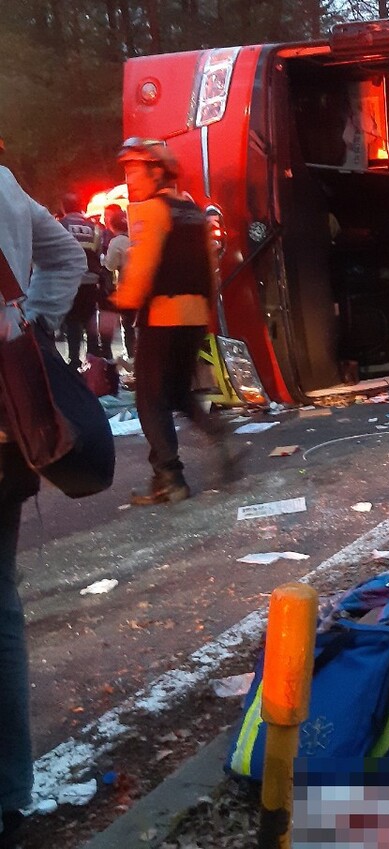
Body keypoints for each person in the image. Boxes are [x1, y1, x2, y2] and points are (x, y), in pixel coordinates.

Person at [0, 165, 86, 848]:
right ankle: (9, 790)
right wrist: (31, 318)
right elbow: (66, 254)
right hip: (10, 421)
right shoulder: (2, 183)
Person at [110, 137, 236, 504]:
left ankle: (170, 479)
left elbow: (142, 268)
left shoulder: (150, 211)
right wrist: (207, 317)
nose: (130, 180)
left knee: (149, 399)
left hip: (162, 317)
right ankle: (215, 429)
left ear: (157, 172)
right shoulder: (194, 212)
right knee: (178, 392)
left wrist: (117, 305)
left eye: (135, 171)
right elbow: (209, 271)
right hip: (194, 318)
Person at [57, 193, 107, 368]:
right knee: (90, 319)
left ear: (64, 207)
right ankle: (93, 358)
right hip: (90, 280)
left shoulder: (60, 225)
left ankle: (74, 360)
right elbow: (99, 250)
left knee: (72, 320)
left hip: (69, 281)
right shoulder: (93, 227)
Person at [101, 204, 134, 369]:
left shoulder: (116, 241)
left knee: (128, 324)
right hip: (143, 287)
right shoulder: (135, 238)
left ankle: (132, 357)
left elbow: (110, 265)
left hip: (127, 288)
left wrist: (102, 259)